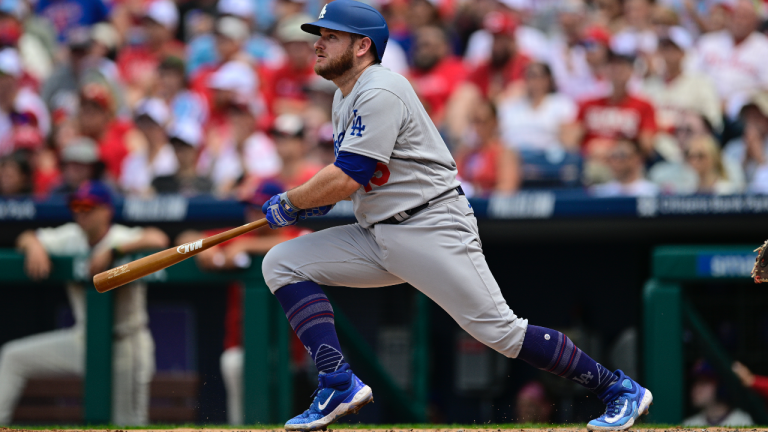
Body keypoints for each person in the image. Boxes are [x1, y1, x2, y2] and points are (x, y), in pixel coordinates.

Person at [258, 1, 653, 429]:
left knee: (502, 333)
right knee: (282, 262)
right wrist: (311, 201)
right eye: (320, 35)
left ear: (361, 46)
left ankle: (618, 389)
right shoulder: (345, 95)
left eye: (330, 36)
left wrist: (293, 200)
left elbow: (349, 174)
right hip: (379, 233)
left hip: (431, 225)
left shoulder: (380, 89)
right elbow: (361, 177)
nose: (317, 44)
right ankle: (337, 381)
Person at [0, 181, 169, 425]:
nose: (81, 212)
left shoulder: (119, 236)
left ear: (106, 211)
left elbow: (159, 239)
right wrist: (34, 246)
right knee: (13, 357)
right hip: (85, 339)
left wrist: (114, 251)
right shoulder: (70, 235)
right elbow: (26, 236)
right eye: (76, 205)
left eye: (88, 206)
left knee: (129, 424)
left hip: (125, 343)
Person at [690, 0, 768, 120]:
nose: (738, 21)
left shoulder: (764, 47)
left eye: (744, 17)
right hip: (703, 109)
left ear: (755, 21)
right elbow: (690, 74)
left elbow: (764, 88)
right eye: (735, 16)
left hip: (742, 115)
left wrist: (735, 100)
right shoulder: (708, 42)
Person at [497, 62, 577, 152]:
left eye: (541, 76)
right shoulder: (511, 106)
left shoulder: (561, 103)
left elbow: (568, 138)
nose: (536, 81)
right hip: (513, 156)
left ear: (549, 79)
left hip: (545, 158)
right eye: (531, 76)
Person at [455, 99, 519, 197]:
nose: (478, 127)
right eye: (475, 122)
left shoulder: (504, 153)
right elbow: (451, 179)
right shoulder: (466, 153)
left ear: (494, 122)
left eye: (482, 122)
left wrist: (478, 193)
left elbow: (507, 188)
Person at [683, 360, 754, 427]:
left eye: (703, 383)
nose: (696, 389)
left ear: (721, 386)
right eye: (695, 383)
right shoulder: (689, 424)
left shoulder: (742, 422)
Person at [151, 119, 212, 195]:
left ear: (195, 149)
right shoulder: (160, 183)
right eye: (175, 146)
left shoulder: (207, 186)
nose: (179, 151)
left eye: (184, 146)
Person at [723, 92, 768, 194]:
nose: (752, 121)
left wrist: (760, 158)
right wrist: (746, 159)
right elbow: (728, 185)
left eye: (757, 116)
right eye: (748, 116)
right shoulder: (732, 148)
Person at [591, 138, 659, 197]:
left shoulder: (652, 192)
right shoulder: (600, 193)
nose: (616, 161)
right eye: (613, 156)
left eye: (622, 156)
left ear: (637, 159)